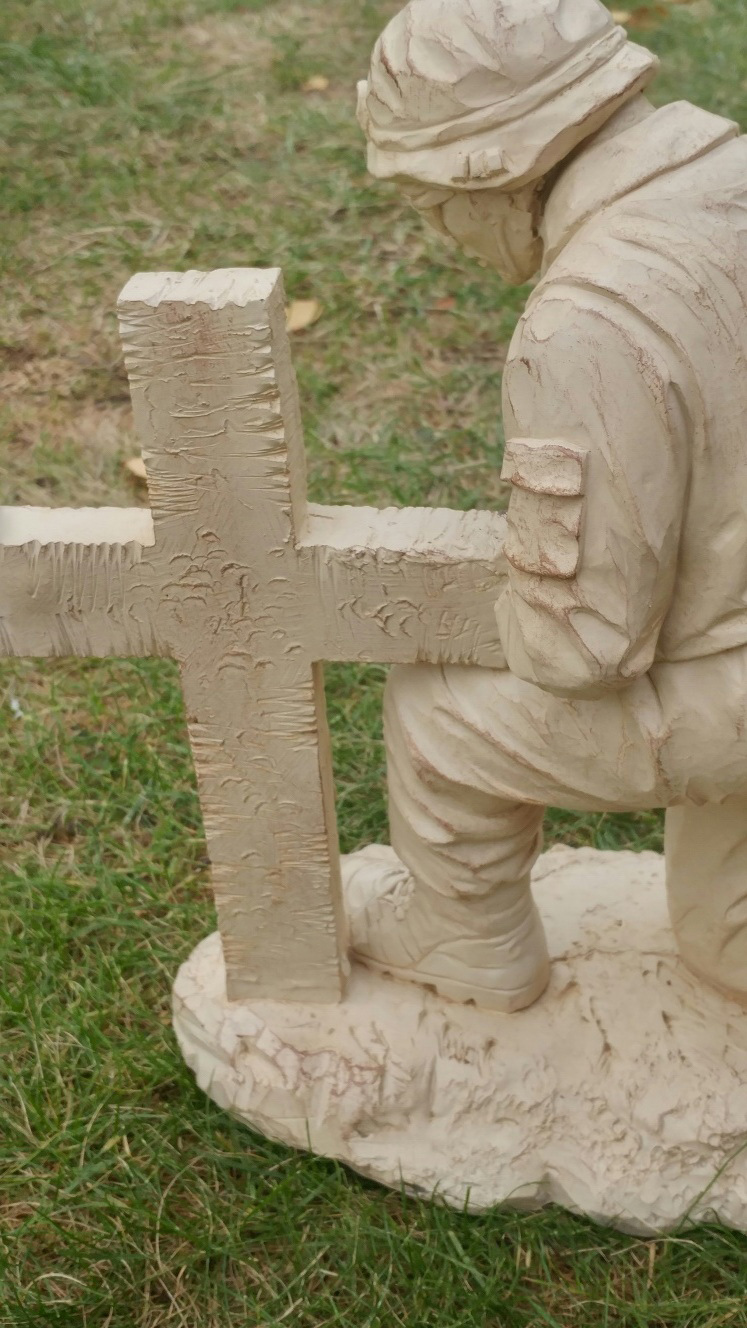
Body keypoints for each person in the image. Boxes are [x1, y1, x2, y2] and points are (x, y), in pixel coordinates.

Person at [346, 0, 747, 1012]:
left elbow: (586, 646)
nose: (438, 232)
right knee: (724, 941)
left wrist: (492, 606)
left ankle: (466, 940)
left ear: (492, 170)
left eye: (431, 201)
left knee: (437, 712)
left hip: (733, 688)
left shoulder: (587, 322)